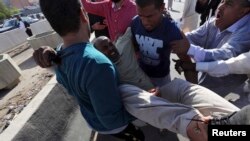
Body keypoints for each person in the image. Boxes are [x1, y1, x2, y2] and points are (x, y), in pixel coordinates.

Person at [34, 26, 250, 141]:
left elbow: (132, 26)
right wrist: (49, 51)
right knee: (128, 93)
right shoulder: (103, 72)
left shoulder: (123, 44)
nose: (112, 51)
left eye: (110, 45)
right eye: (106, 52)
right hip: (140, 105)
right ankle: (196, 126)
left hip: (157, 92)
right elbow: (70, 60)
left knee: (182, 88)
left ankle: (211, 127)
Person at [37, 0, 145, 140]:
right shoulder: (97, 64)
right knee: (139, 136)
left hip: (93, 120)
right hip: (115, 126)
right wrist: (141, 107)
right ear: (83, 14)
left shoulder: (59, 55)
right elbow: (112, 119)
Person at [171, 0, 250, 95]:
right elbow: (192, 37)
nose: (220, 7)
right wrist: (170, 37)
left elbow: (227, 55)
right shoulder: (214, 21)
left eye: (229, 4)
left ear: (243, 11)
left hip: (232, 97)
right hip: (205, 85)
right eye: (222, 1)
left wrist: (190, 50)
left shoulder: (246, 32)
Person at [131, 0, 193, 86]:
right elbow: (134, 50)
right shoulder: (135, 23)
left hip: (161, 81)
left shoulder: (171, 29)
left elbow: (187, 63)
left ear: (162, 8)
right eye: (140, 15)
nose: (144, 22)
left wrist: (193, 93)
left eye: (149, 16)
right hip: (140, 76)